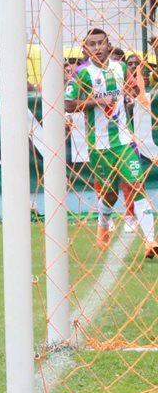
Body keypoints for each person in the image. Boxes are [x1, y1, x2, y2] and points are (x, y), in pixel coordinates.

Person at [65, 28, 158, 257]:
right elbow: (68, 105)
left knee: (137, 185)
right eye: (92, 44)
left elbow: (133, 89)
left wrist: (131, 94)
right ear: (85, 49)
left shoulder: (120, 67)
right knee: (110, 195)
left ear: (108, 45)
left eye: (101, 43)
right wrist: (97, 101)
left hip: (125, 142)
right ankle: (104, 222)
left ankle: (150, 243)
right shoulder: (81, 74)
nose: (98, 48)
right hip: (99, 146)